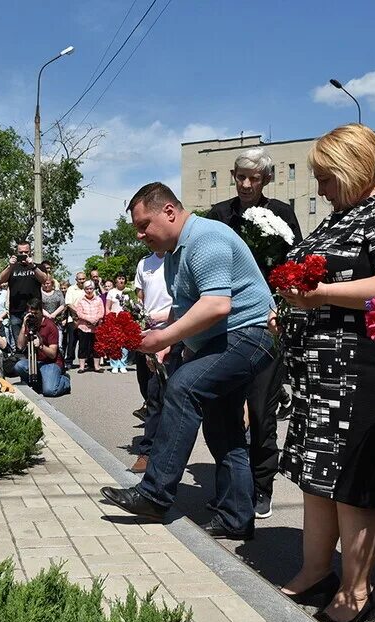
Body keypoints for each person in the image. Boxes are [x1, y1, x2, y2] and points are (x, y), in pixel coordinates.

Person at [276, 124, 375, 622]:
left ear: (351, 168)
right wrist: (292, 307)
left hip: (366, 371)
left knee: (353, 484)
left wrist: (315, 296)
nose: (318, 188)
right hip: (323, 372)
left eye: (324, 177)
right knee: (318, 478)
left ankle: (357, 589)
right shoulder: (341, 216)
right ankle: (316, 570)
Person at [99, 182, 275, 541]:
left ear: (169, 211)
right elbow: (185, 309)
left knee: (182, 388)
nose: (139, 234)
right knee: (223, 429)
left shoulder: (205, 238)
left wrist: (164, 338)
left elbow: (216, 305)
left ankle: (154, 494)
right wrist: (166, 344)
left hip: (249, 335)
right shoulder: (175, 254)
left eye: (144, 224)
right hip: (225, 340)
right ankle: (236, 518)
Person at [209, 147, 304, 519]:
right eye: (240, 176)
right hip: (227, 324)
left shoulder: (281, 214)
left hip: (268, 324)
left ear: (266, 179)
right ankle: (233, 487)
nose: (246, 184)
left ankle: (262, 485)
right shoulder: (219, 215)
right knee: (224, 410)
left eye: (254, 177)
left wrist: (280, 308)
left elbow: (294, 263)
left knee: (262, 410)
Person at [129, 251, 173, 471]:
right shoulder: (144, 262)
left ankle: (148, 453)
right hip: (147, 332)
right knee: (147, 389)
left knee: (158, 395)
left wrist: (163, 323)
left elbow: (185, 301)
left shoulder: (178, 258)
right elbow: (141, 298)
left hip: (172, 331)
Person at [13, 298, 70, 397]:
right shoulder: (28, 324)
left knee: (50, 391)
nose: (33, 316)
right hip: (34, 362)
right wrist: (23, 326)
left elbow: (53, 354)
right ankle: (38, 383)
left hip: (50, 363)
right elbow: (20, 346)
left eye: (35, 313)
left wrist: (41, 346)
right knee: (19, 366)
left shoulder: (50, 326)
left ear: (41, 311)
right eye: (31, 314)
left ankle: (65, 380)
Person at [0, 240, 49, 347]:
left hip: (34, 310)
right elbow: (1, 279)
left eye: (25, 252)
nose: (23, 255)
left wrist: (33, 266)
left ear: (30, 252)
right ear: (16, 252)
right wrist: (10, 266)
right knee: (20, 344)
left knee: (36, 342)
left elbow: (44, 279)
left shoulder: (38, 266)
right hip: (16, 311)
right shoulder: (12, 267)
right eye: (20, 253)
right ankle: (22, 362)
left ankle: (36, 362)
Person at [73, 280, 104, 373]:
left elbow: (101, 311)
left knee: (96, 347)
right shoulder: (81, 300)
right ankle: (82, 367)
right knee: (83, 347)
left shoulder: (99, 299)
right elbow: (79, 313)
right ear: (84, 290)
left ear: (93, 289)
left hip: (96, 327)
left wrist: (95, 319)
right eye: (87, 289)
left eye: (91, 288)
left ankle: (97, 366)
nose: (89, 290)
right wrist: (89, 319)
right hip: (84, 327)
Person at [64, 271, 86, 367]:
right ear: (76, 280)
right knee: (72, 342)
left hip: (85, 319)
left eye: (83, 279)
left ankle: (85, 361)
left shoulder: (88, 288)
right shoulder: (71, 289)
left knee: (84, 341)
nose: (81, 281)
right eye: (80, 279)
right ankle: (69, 361)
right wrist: (78, 312)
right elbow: (68, 303)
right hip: (73, 319)